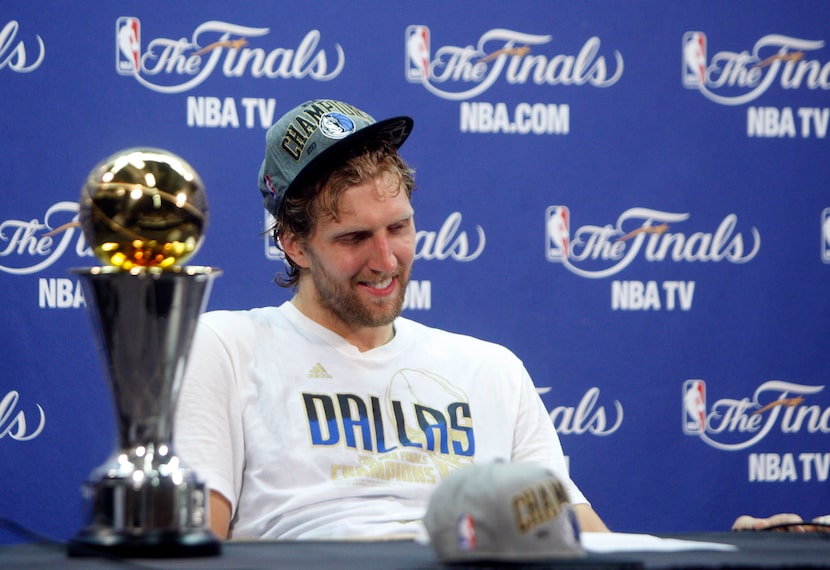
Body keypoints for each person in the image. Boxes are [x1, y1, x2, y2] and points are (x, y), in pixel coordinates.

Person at [174, 99, 609, 540]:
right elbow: (196, 549)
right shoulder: (225, 348)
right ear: (294, 245)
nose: (385, 260)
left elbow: (582, 538)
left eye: (398, 228)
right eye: (354, 237)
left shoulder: (493, 370)